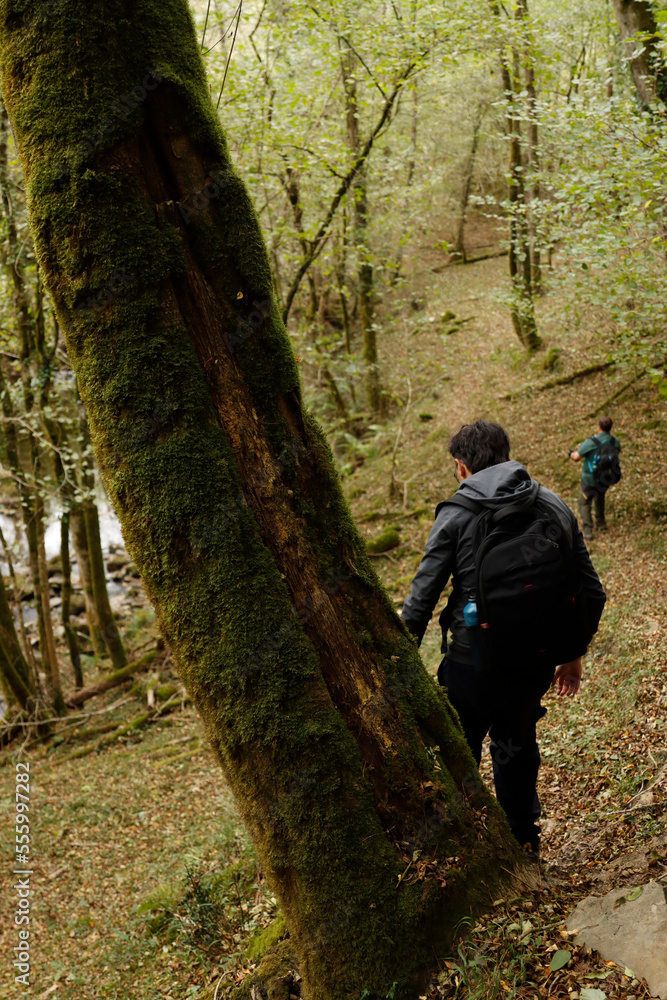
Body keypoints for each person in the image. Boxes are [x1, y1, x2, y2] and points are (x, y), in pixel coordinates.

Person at [401, 420, 606, 857]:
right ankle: (523, 838)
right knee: (516, 743)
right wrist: (572, 655)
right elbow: (592, 592)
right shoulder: (552, 504)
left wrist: (394, 670)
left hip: (471, 663)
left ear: (461, 467)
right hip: (535, 660)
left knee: (460, 747)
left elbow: (421, 602)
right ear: (507, 454)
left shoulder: (456, 514)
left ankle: (465, 843)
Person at [569, 416, 621, 541]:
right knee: (600, 497)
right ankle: (601, 524)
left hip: (590, 478)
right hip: (606, 477)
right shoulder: (615, 441)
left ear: (599, 427)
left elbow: (576, 457)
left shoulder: (591, 442)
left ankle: (587, 530)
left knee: (584, 502)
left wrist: (571, 453)